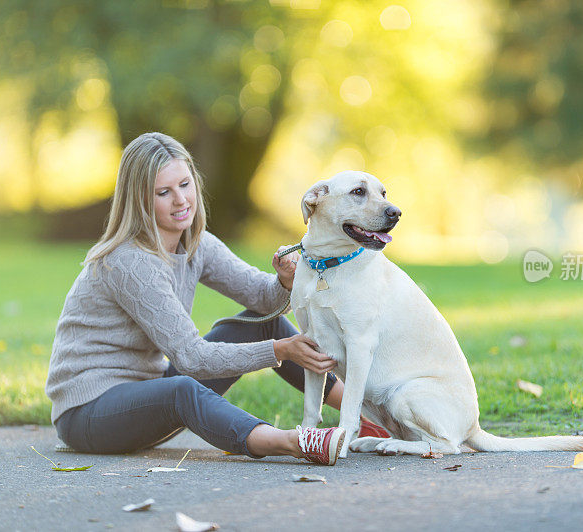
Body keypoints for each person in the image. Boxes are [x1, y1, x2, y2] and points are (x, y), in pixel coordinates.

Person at [45, 132, 379, 466]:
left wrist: (284, 281)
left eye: (185, 185)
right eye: (164, 192)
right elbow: (191, 357)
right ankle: (294, 443)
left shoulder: (196, 243)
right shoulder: (129, 262)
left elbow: (265, 299)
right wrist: (278, 352)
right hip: (88, 413)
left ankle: (369, 417)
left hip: (147, 395)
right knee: (183, 391)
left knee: (265, 324)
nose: (181, 200)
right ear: (140, 200)